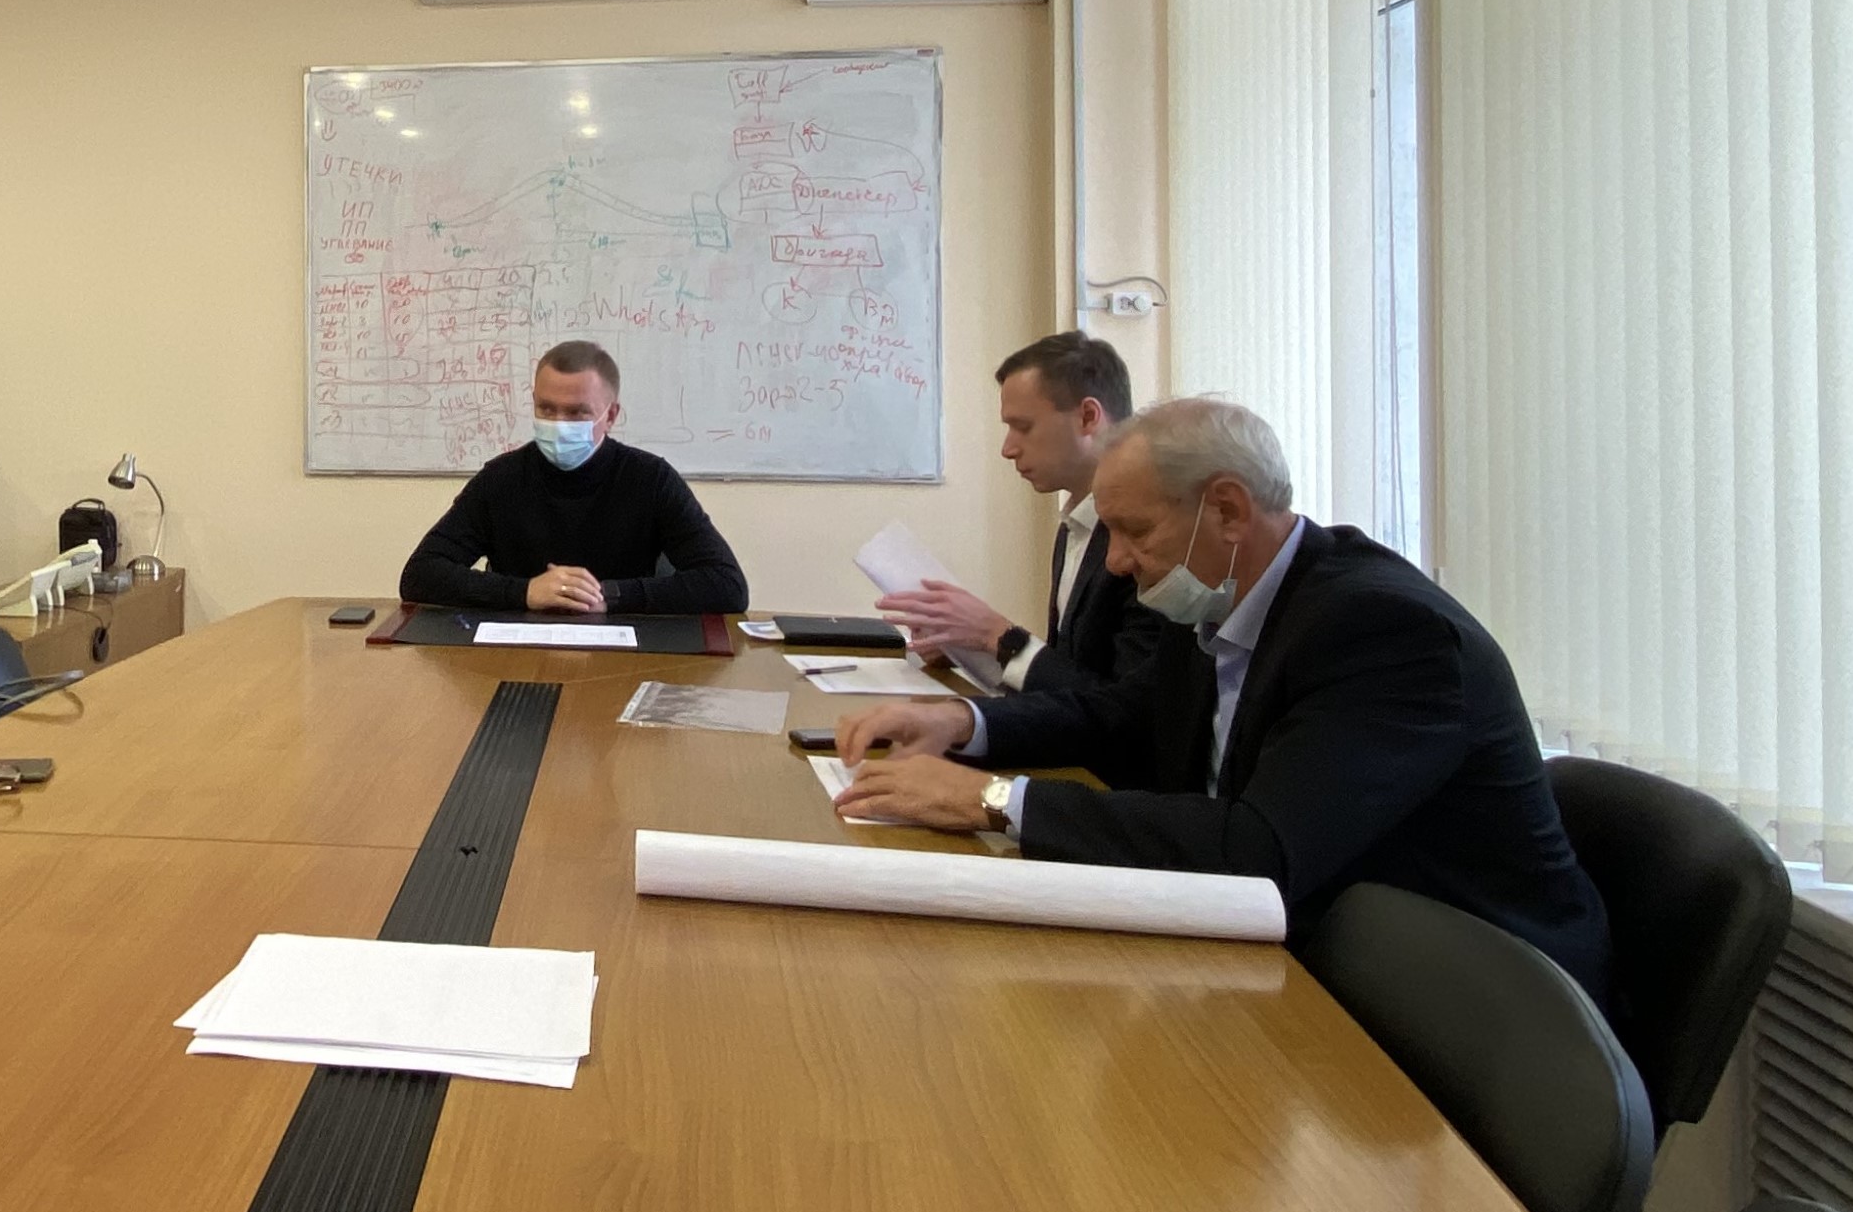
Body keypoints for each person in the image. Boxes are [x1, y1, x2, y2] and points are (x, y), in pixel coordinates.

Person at [830, 395, 1611, 996]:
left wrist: (993, 799)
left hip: (1466, 1008)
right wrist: (963, 722)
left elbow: (1259, 851)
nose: (1117, 563)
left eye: (1135, 532)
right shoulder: (1215, 590)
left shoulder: (1384, 631)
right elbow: (1124, 715)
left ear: (1229, 510)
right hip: (1300, 950)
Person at [874, 330, 1156, 696]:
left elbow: (1122, 708)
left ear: (1088, 416)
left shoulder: (1148, 538)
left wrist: (999, 636)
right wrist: (971, 648)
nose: (1008, 449)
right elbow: (1071, 684)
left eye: (1023, 427)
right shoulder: (1075, 525)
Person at [398, 339, 749, 617]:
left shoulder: (651, 479)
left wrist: (607, 595)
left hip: (625, 648)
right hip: (515, 648)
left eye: (577, 412)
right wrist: (524, 592)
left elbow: (727, 584)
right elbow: (420, 574)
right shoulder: (500, 480)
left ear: (610, 416)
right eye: (546, 409)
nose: (559, 424)